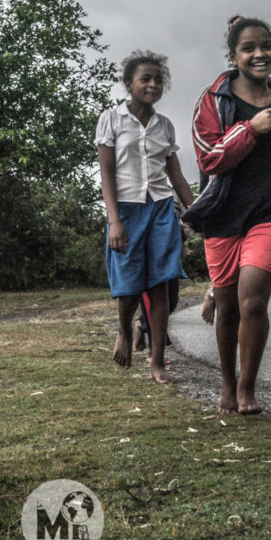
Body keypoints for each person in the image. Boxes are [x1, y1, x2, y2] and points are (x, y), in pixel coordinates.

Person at [186, 16, 271, 415]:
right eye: (248, 48)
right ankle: (225, 381)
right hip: (224, 216)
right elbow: (209, 158)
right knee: (228, 305)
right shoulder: (214, 99)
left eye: (265, 46)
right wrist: (249, 129)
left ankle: (247, 388)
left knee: (253, 302)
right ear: (233, 55)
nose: (259, 54)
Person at [96, 50, 194, 384]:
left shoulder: (164, 126)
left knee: (161, 285)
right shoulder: (111, 119)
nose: (153, 85)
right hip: (126, 208)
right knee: (129, 284)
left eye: (158, 80)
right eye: (145, 79)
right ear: (129, 84)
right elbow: (107, 173)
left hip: (162, 208)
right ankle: (124, 331)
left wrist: (197, 213)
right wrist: (115, 220)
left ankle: (157, 361)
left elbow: (177, 177)